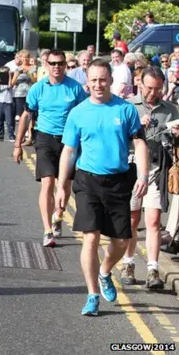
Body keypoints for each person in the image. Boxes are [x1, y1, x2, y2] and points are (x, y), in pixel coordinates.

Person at [55, 58, 148, 316]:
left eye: (102, 79)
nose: (98, 84)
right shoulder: (78, 113)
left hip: (118, 181)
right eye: (93, 80)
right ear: (87, 82)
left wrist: (142, 175)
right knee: (91, 237)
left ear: (110, 80)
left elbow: (139, 143)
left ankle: (105, 271)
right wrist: (62, 187)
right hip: (87, 180)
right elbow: (69, 151)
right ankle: (92, 294)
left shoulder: (126, 110)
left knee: (121, 241)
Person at [13, 49, 87, 247]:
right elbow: (26, 116)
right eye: (53, 63)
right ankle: (47, 230)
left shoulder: (75, 88)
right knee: (47, 183)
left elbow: (86, 114)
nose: (57, 67)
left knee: (64, 186)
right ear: (46, 65)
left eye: (60, 63)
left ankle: (58, 216)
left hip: (69, 141)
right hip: (44, 138)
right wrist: (17, 145)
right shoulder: (38, 88)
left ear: (65, 65)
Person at [122, 66, 179, 288]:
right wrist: (135, 128)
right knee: (132, 219)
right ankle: (128, 263)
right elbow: (118, 138)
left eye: (157, 88)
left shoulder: (171, 110)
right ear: (140, 84)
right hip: (132, 167)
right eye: (149, 88)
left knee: (154, 221)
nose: (153, 93)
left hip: (157, 169)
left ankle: (153, 269)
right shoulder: (128, 106)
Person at [0, 66, 13, 141]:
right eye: (2, 73)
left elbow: (9, 86)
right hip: (0, 102)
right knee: (0, 120)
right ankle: (0, 136)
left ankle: (11, 136)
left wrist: (9, 76)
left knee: (9, 121)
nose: (3, 75)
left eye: (5, 73)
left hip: (8, 102)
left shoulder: (10, 80)